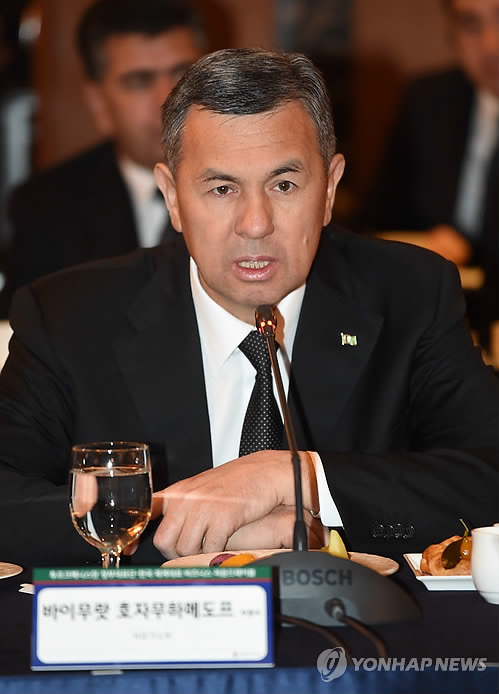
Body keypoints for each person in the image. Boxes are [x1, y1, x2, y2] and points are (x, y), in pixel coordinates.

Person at [0, 48, 497, 568]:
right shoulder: (70, 317)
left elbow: (488, 473)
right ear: (172, 196)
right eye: (222, 189)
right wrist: (193, 528)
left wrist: (296, 478)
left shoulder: (410, 296)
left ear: (329, 188)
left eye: (284, 185)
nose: (255, 223)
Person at [0, 0, 204, 318]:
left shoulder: (259, 181)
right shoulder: (45, 208)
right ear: (98, 102)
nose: (168, 100)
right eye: (140, 81)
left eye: (183, 73)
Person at [354, 0, 498, 349]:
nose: (490, 44)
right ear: (452, 34)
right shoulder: (427, 102)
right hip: (431, 328)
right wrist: (417, 247)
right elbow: (368, 226)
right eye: (471, 24)